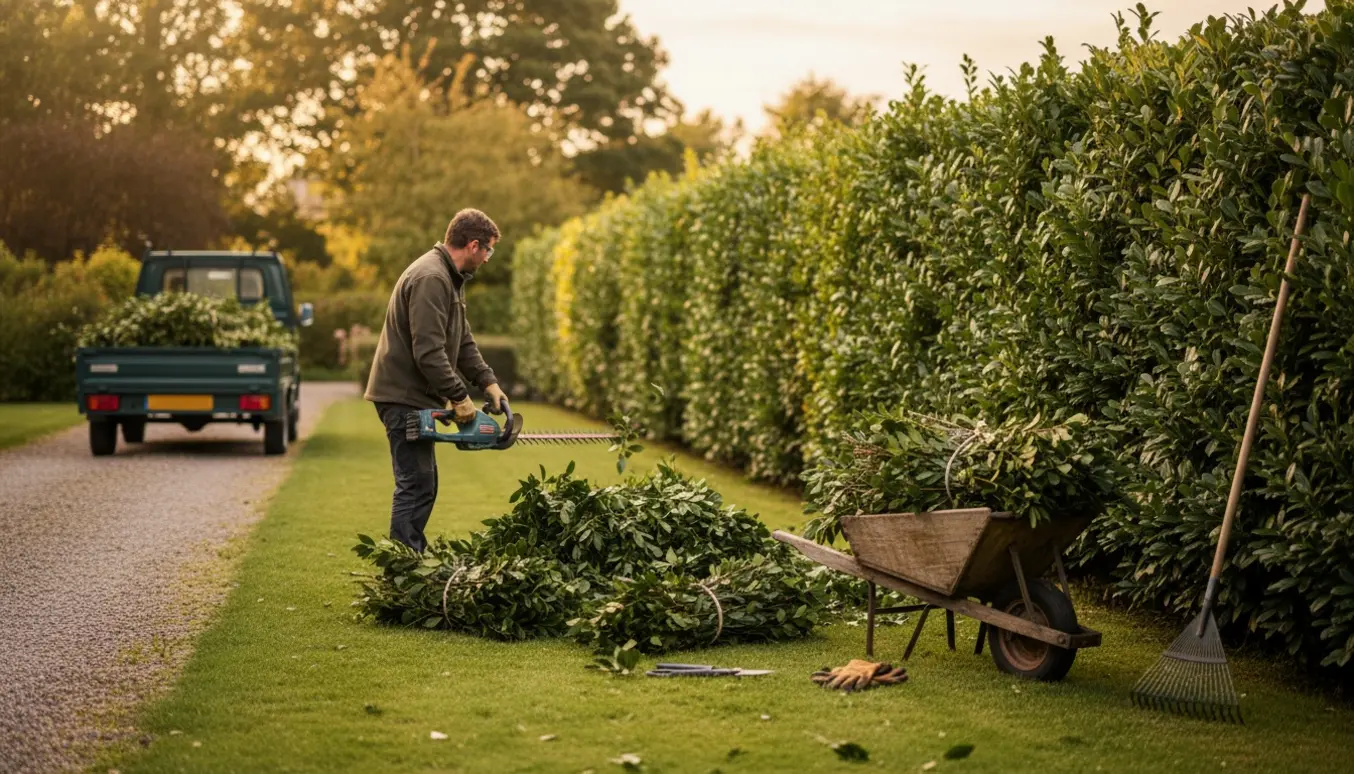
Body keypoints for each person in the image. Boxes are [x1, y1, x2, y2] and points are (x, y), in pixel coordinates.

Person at [364, 208, 508, 552]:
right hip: (402, 396)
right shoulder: (432, 278)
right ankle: (403, 569)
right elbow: (428, 351)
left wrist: (488, 382)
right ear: (473, 245)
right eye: (488, 250)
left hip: (413, 396)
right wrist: (459, 397)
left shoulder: (449, 278)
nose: (488, 259)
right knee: (416, 485)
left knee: (423, 484)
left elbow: (462, 342)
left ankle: (408, 561)